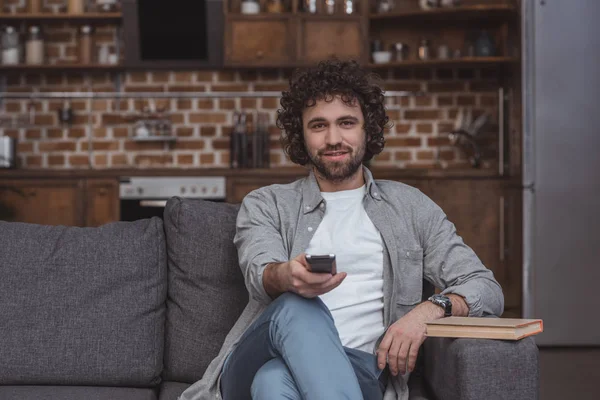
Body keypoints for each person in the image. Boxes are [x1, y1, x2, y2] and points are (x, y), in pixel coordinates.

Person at [179, 59, 504, 400]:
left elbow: (486, 288)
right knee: (298, 306)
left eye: (346, 123)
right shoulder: (267, 203)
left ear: (368, 129)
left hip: (360, 367)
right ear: (301, 135)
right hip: (259, 354)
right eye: (318, 126)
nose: (334, 138)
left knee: (273, 382)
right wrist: (287, 277)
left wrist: (429, 309)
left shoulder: (411, 207)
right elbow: (259, 270)